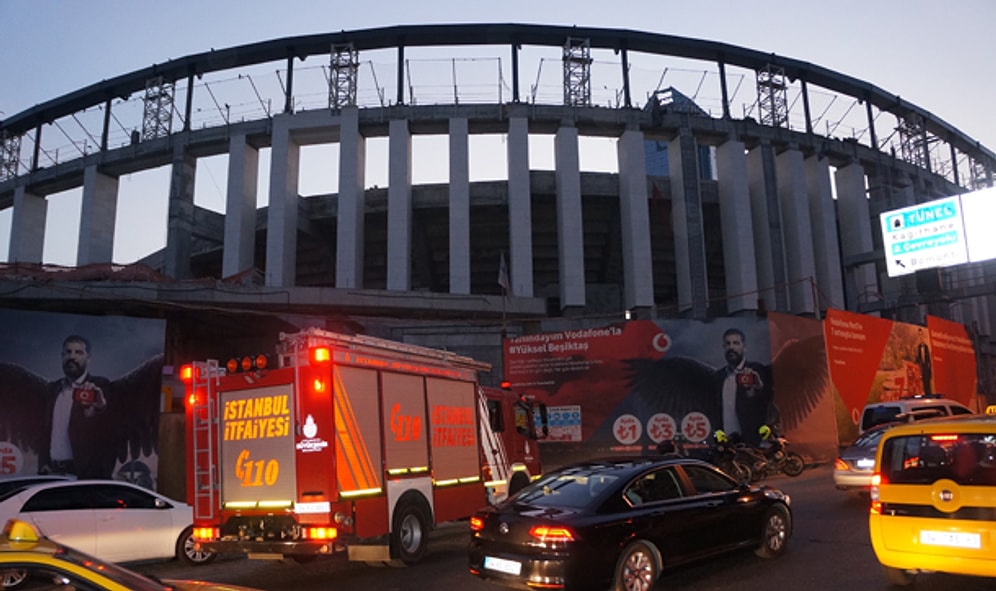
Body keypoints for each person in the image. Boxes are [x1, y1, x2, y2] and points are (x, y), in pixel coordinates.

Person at [38, 335, 115, 478]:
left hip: (86, 477)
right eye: (67, 352)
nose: (71, 357)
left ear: (89, 358)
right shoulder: (52, 390)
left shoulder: (101, 386)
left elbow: (109, 421)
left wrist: (99, 407)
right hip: (53, 473)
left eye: (78, 352)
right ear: (62, 356)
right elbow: (44, 431)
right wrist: (43, 463)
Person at [714, 328, 778, 446]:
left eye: (736, 343)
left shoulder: (757, 370)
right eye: (728, 343)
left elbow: (769, 398)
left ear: (744, 347)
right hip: (728, 443)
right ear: (723, 347)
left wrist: (758, 388)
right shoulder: (719, 376)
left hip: (752, 441)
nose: (731, 347)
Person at [915, 328, 933, 395]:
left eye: (921, 335)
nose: (920, 337)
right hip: (922, 369)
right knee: (924, 384)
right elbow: (918, 359)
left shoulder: (926, 347)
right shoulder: (918, 347)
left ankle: (929, 394)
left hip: (926, 369)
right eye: (919, 335)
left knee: (928, 384)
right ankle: (926, 394)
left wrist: (930, 371)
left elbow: (929, 360)